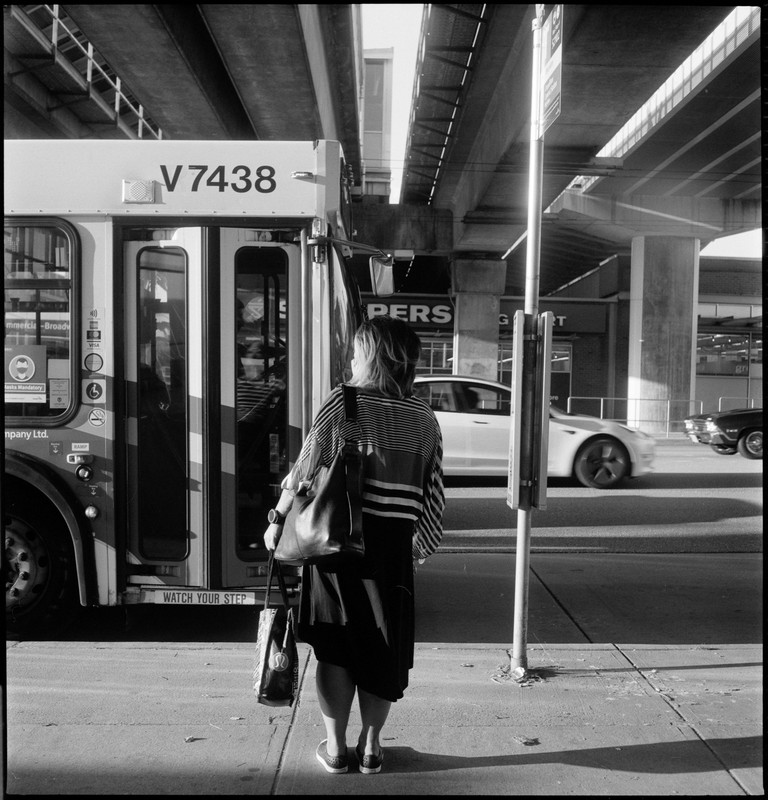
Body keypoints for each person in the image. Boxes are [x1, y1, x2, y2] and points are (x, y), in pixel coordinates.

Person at [263, 315, 445, 775]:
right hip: (391, 552)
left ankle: (336, 749)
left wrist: (277, 518)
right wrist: (416, 548)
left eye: (356, 350)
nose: (351, 357)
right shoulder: (424, 419)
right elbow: (433, 490)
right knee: (382, 650)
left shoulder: (342, 404)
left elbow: (304, 472)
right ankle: (372, 748)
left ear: (372, 356)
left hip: (336, 547)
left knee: (336, 648)